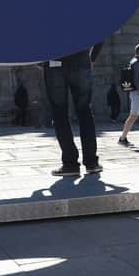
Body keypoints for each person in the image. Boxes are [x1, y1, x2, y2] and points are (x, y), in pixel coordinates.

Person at [43, 43, 102, 176]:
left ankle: (70, 164)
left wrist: (41, 61)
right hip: (81, 60)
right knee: (84, 111)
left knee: (59, 114)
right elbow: (101, 30)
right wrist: (92, 58)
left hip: (54, 60)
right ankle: (92, 162)